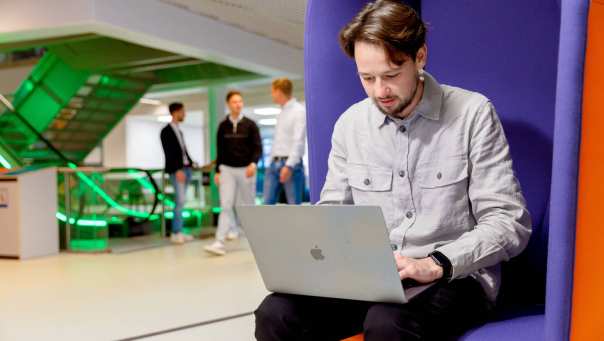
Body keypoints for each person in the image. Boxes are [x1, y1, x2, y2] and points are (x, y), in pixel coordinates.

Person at [254, 1, 532, 340]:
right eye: (367, 78)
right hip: (371, 280)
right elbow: (333, 214)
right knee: (276, 313)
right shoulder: (350, 125)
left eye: (391, 75)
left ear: (420, 57)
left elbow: (508, 221)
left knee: (387, 322)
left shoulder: (473, 114)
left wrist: (433, 264)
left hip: (454, 276)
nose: (379, 91)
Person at [205, 90, 262, 256]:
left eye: (240, 101)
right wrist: (217, 171)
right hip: (227, 170)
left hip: (246, 170)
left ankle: (257, 240)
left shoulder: (250, 125)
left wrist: (253, 163)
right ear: (228, 105)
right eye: (234, 102)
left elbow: (258, 147)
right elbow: (220, 150)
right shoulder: (223, 126)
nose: (238, 104)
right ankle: (219, 242)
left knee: (248, 205)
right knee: (226, 205)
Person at [263, 78, 307, 205]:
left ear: (279, 91)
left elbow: (298, 141)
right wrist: (271, 161)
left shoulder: (299, 111)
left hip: (291, 165)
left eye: (273, 91)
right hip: (274, 164)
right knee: (267, 205)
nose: (272, 95)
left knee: (294, 207)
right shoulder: (281, 112)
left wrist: (289, 166)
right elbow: (278, 141)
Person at [160, 102, 196, 244]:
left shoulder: (179, 131)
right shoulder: (166, 131)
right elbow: (169, 153)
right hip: (178, 171)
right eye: (182, 111)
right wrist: (177, 169)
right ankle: (176, 232)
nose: (184, 114)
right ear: (175, 112)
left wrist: (191, 163)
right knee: (179, 201)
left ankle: (180, 230)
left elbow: (183, 152)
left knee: (183, 201)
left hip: (186, 169)